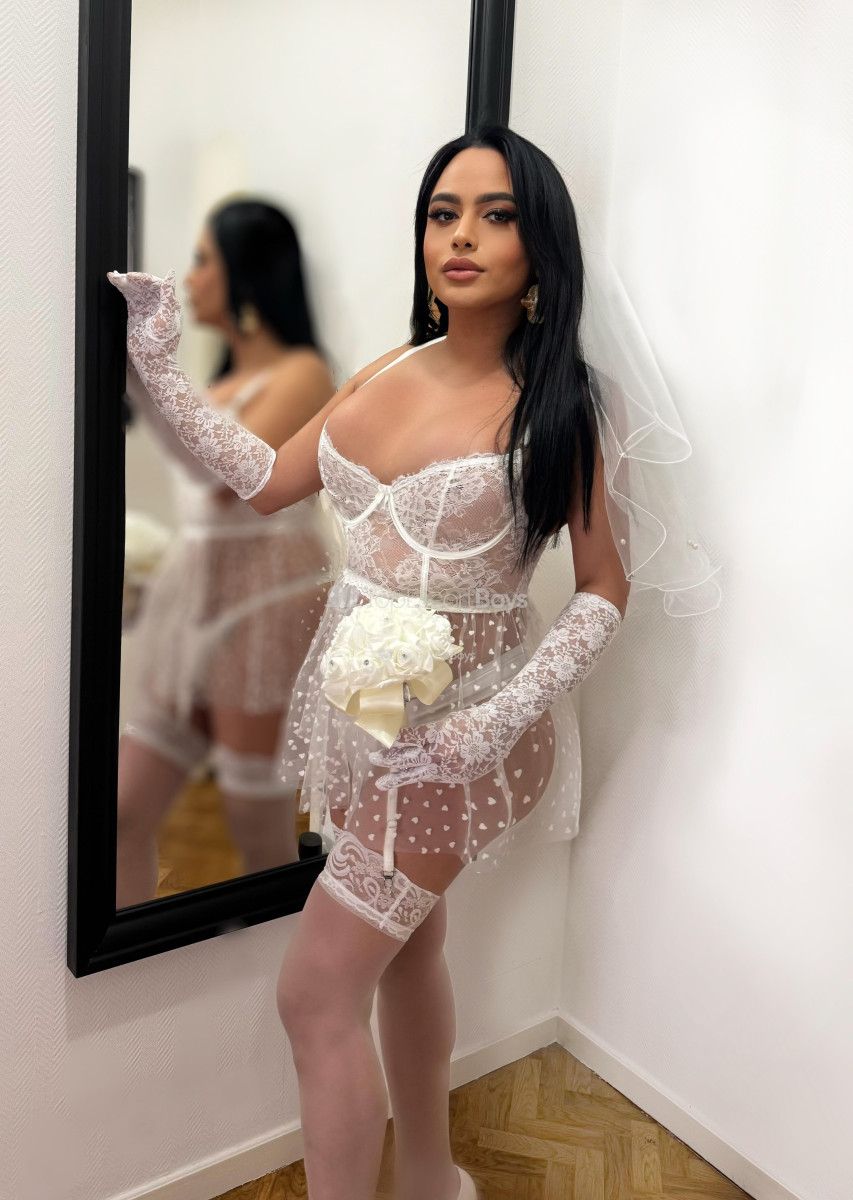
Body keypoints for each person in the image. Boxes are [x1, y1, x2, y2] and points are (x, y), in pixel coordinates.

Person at [108, 126, 718, 1200]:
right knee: (411, 950)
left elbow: (602, 588)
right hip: (365, 718)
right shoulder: (389, 367)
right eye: (444, 213)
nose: (462, 236)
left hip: (466, 736)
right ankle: (433, 1178)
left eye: (496, 214)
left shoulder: (567, 404)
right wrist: (157, 362)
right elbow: (268, 478)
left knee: (313, 995)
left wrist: (499, 719)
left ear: (541, 244)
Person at [116, 199, 339, 907]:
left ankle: (269, 960)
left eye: (204, 259)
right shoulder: (218, 385)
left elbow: (227, 485)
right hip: (197, 597)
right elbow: (196, 471)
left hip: (266, 602)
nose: (192, 278)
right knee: (121, 810)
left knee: (255, 823)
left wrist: (151, 368)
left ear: (248, 272)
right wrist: (140, 365)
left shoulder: (302, 374)